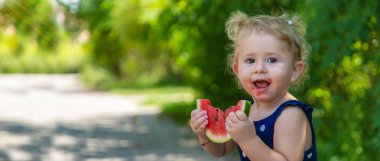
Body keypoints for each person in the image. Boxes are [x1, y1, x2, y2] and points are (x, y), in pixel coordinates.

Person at [190, 10, 318, 161]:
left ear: (294, 70)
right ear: (237, 71)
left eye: (272, 60)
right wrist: (205, 136)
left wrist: (248, 140)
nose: (259, 68)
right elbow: (222, 149)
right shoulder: (247, 111)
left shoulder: (291, 115)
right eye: (250, 61)